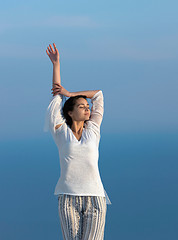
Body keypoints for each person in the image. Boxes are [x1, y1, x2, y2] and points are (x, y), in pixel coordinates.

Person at [43, 43, 112, 240]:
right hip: (68, 199)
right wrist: (56, 65)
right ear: (70, 112)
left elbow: (98, 95)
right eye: (81, 106)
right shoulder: (61, 132)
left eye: (87, 106)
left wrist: (71, 94)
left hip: (95, 198)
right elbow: (56, 99)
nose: (87, 108)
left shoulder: (93, 131)